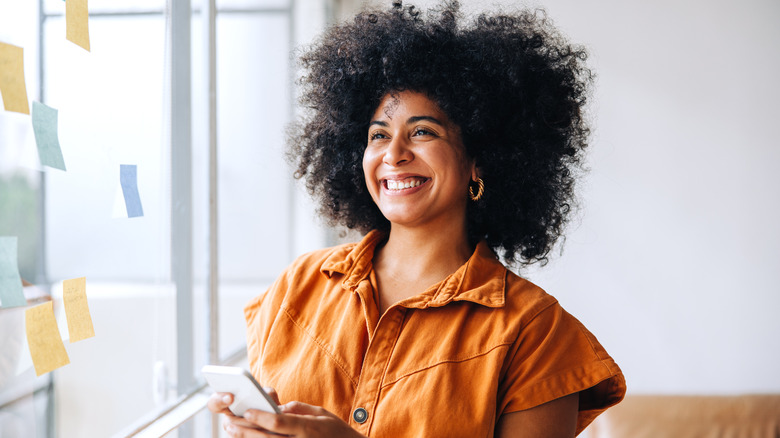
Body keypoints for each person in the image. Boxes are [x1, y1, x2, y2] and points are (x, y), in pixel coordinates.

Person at [208, 1, 626, 436]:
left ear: (480, 160)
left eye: (422, 131)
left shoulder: (536, 332)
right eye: (379, 135)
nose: (394, 154)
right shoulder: (300, 284)